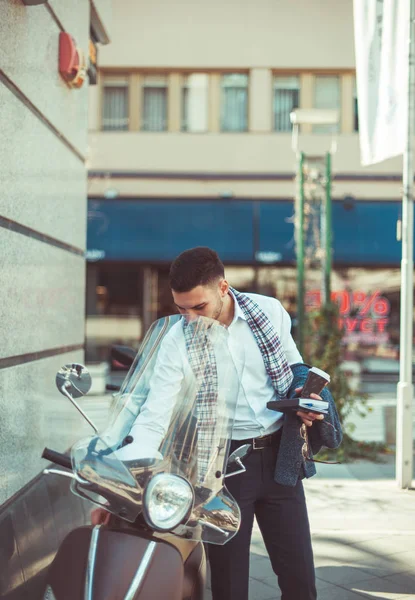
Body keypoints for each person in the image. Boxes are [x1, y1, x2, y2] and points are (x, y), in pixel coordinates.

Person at [167, 246, 342, 600]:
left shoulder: (268, 311)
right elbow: (155, 405)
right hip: (224, 466)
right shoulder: (179, 338)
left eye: (198, 307)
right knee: (229, 586)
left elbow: (295, 368)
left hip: (280, 458)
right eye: (181, 309)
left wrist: (304, 399)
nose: (190, 318)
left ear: (223, 288)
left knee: (300, 580)